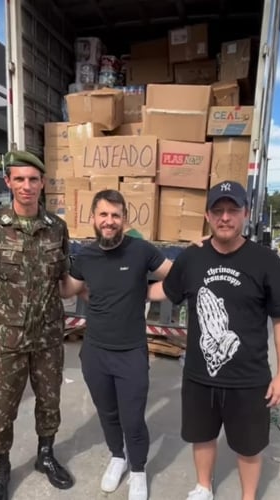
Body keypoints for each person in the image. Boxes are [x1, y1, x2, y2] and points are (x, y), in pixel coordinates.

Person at [147, 181, 280, 500]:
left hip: (249, 378)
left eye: (233, 210)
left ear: (245, 213)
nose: (225, 217)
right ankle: (204, 486)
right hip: (199, 375)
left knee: (249, 446)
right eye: (218, 210)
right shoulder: (192, 258)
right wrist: (121, 291)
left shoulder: (266, 261)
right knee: (201, 436)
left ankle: (247, 497)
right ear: (207, 215)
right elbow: (166, 290)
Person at [0, 150, 73, 500]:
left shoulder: (57, 228)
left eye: (34, 179)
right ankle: (1, 468)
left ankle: (45, 454)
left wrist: (101, 280)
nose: (27, 186)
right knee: (0, 407)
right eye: (19, 179)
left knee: (49, 400)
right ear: (8, 182)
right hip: (6, 337)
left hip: (49, 336)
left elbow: (66, 281)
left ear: (43, 184)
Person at [59, 189, 172, 500]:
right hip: (95, 351)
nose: (109, 221)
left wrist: (146, 293)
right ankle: (118, 457)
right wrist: (54, 271)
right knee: (107, 413)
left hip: (130, 351)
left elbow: (175, 278)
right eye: (103, 215)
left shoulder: (141, 250)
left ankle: (138, 470)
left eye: (115, 215)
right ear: (93, 218)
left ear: (124, 219)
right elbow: (71, 289)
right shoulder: (85, 256)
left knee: (133, 418)